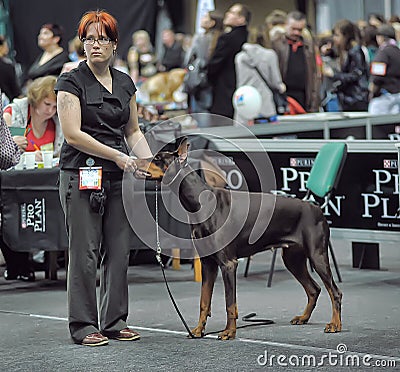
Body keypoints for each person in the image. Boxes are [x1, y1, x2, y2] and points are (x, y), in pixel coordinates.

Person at [55, 9, 153, 347]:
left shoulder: (126, 82)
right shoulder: (69, 81)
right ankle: (83, 325)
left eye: (101, 38)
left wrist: (151, 162)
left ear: (114, 43)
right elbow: (72, 134)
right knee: (84, 252)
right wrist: (117, 156)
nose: (94, 44)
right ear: (82, 43)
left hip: (119, 175)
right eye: (88, 38)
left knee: (119, 250)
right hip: (82, 173)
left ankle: (114, 320)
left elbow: (134, 131)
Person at [4, 75, 63, 159]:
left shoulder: (58, 122)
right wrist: (29, 157)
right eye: (47, 104)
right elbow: (3, 155)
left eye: (55, 107)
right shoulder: (12, 114)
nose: (50, 111)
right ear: (36, 98)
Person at [271, 10, 320, 112]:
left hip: (304, 96)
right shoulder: (276, 44)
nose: (296, 33)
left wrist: (314, 101)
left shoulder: (308, 46)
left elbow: (314, 74)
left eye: (300, 29)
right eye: (293, 29)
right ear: (285, 25)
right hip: (284, 97)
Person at [234, 28, 285, 124]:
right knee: (265, 136)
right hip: (264, 102)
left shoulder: (239, 57)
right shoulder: (270, 55)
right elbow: (276, 82)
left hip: (244, 101)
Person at [207, 3, 249, 119]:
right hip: (246, 93)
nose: (227, 14)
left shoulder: (227, 38)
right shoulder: (250, 37)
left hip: (224, 92)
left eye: (232, 12)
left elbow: (214, 66)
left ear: (241, 19)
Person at [322, 19, 369, 111]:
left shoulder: (355, 52)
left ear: (346, 36)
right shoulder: (345, 51)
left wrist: (334, 75)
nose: (334, 38)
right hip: (348, 98)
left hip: (355, 99)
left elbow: (355, 75)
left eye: (337, 35)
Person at [183, 10, 223, 118]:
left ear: (212, 23)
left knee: (200, 116)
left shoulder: (200, 38)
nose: (202, 18)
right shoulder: (219, 38)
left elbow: (187, 60)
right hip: (210, 83)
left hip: (199, 82)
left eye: (205, 17)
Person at [368, 24, 400, 114]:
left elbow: (377, 75)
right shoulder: (398, 51)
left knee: (376, 126)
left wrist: (372, 89)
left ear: (381, 37)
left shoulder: (383, 53)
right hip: (397, 97)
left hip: (384, 99)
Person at [0, 35, 20, 103]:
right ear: (1, 47)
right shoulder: (7, 67)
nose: (7, 48)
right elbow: (15, 92)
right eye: (6, 45)